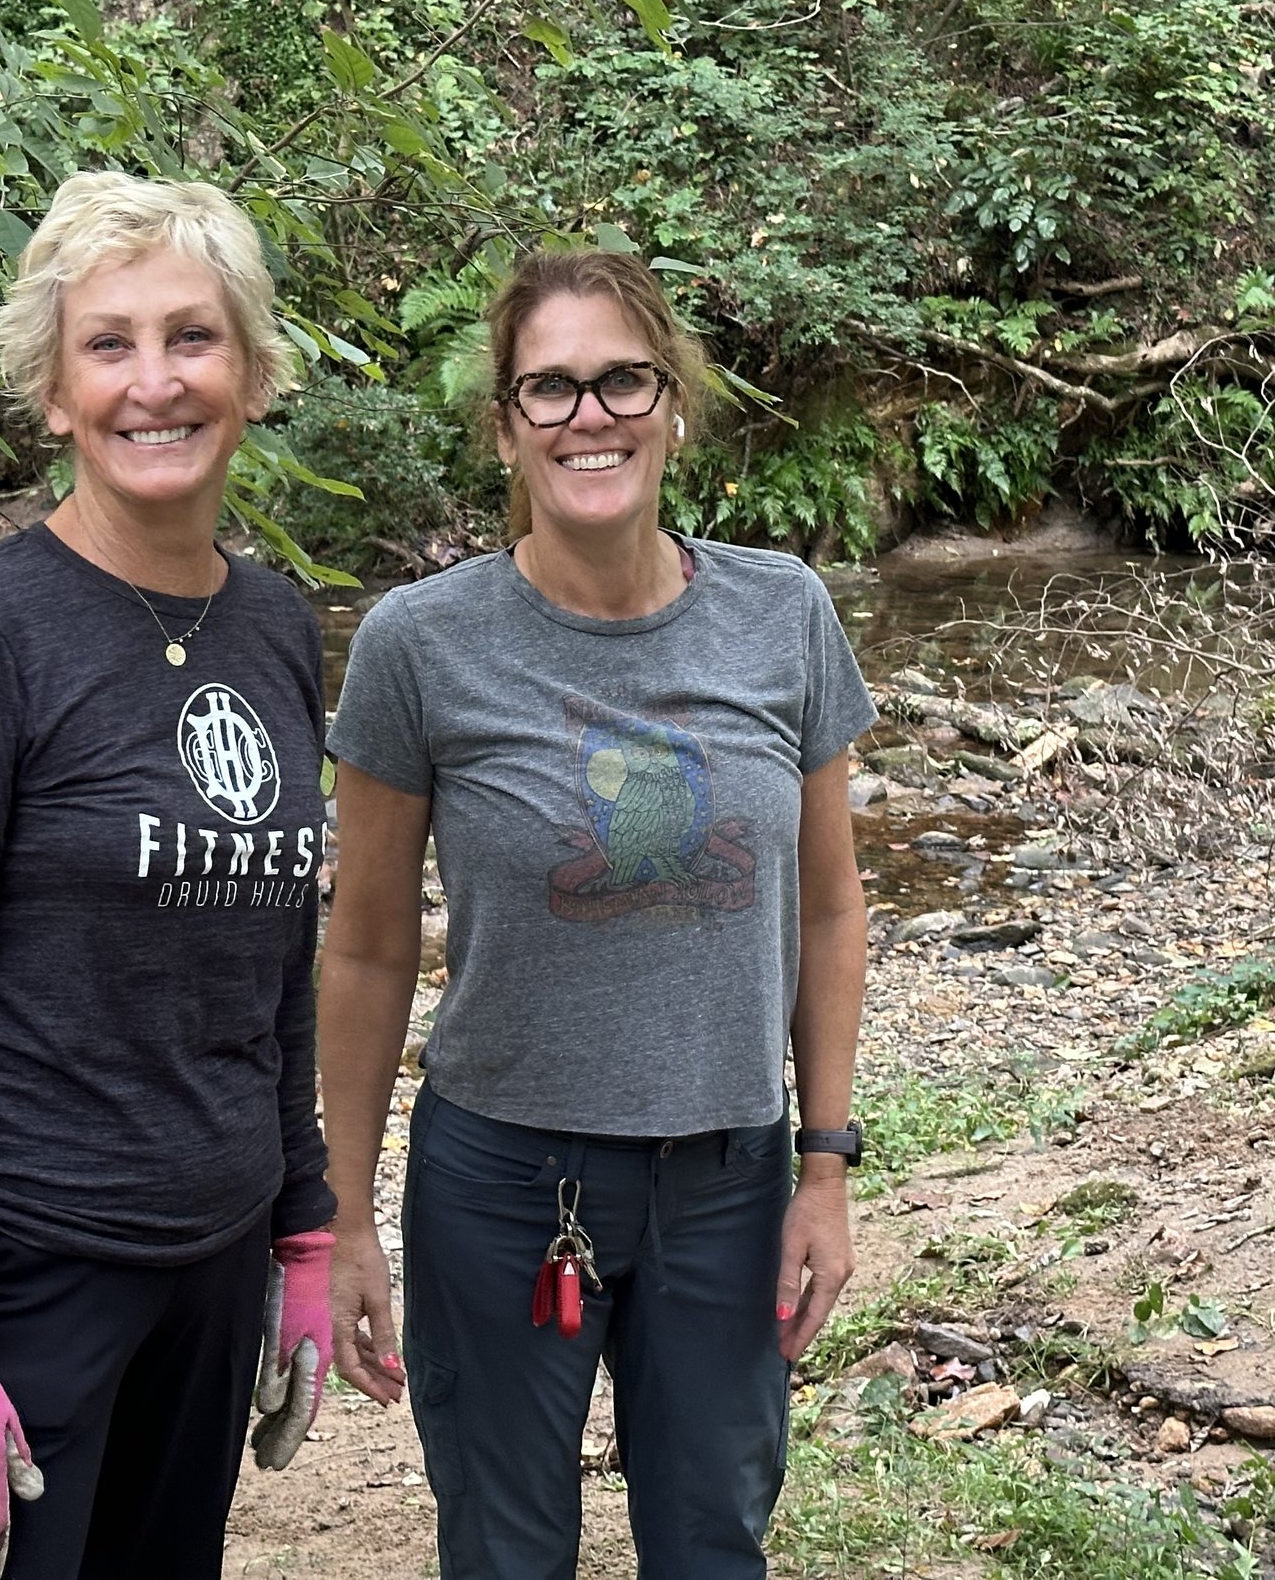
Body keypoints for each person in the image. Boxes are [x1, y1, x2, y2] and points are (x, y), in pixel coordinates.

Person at [316, 249, 876, 1578]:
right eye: (550, 388)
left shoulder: (782, 614)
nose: (591, 416)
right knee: (507, 1554)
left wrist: (828, 1168)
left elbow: (832, 909)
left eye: (623, 379)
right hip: (505, 1186)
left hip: (730, 1180)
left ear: (672, 404)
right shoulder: (418, 644)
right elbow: (367, 946)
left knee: (712, 1542)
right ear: (507, 427)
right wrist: (340, 1215)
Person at [0, 172, 337, 1580]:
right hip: (24, 1276)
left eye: (193, 337)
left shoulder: (276, 627)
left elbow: (274, 965)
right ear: (53, 394)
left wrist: (304, 1230)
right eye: (108, 345)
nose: (154, 382)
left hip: (216, 1263)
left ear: (250, 372)